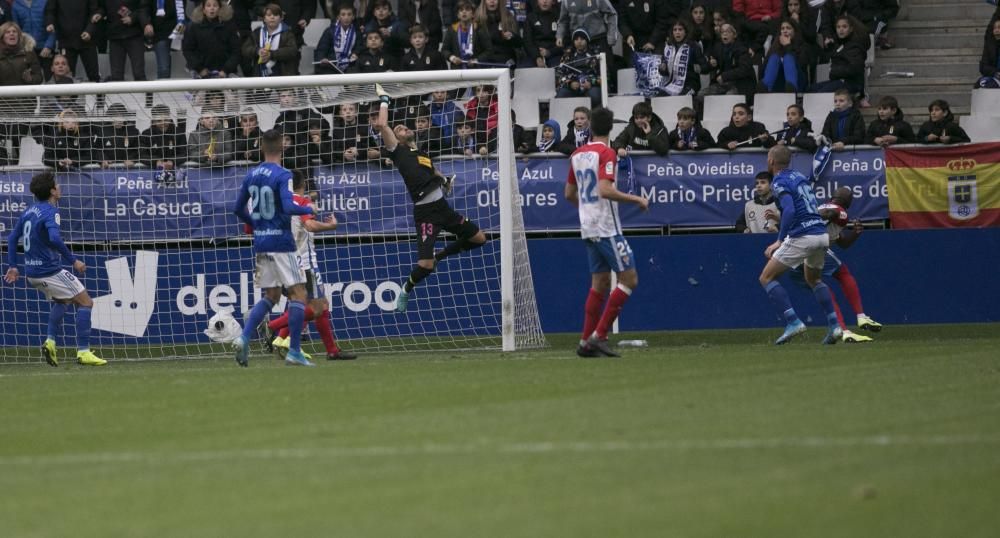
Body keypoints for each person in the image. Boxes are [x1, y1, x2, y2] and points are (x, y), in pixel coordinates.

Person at [371, 84, 488, 313]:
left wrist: (444, 181)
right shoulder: (397, 151)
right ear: (396, 139)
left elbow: (433, 171)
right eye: (400, 128)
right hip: (425, 212)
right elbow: (382, 124)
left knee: (480, 239)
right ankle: (406, 287)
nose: (403, 127)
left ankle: (440, 255)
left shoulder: (422, 154)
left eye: (405, 126)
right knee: (424, 265)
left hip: (442, 208)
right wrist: (384, 100)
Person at [564, 106, 650, 358]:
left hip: (588, 225)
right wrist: (637, 200)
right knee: (629, 279)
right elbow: (605, 189)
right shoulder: (607, 152)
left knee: (599, 283)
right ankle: (599, 335)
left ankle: (584, 342)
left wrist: (586, 210)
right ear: (611, 128)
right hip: (606, 227)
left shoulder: (578, 154)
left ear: (590, 127)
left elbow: (569, 194)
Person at [231, 129, 317, 367]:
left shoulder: (251, 174)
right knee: (300, 294)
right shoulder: (283, 174)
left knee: (271, 296)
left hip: (261, 242)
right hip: (281, 241)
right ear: (282, 147)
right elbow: (289, 207)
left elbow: (237, 209)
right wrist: (308, 209)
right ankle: (295, 351)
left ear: (261, 147)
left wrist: (256, 225)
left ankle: (244, 337)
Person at [4, 171, 106, 366]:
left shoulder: (28, 211)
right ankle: (84, 352)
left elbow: (11, 238)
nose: (60, 188)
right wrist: (73, 260)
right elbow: (55, 238)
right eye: (57, 185)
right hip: (49, 271)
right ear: (52, 191)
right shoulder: (52, 211)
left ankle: (50, 342)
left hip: (31, 273)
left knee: (64, 300)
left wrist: (13, 266)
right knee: (86, 302)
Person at [265, 171, 357, 361]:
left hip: (286, 262)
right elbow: (310, 226)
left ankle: (288, 340)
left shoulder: (281, 203)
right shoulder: (302, 202)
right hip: (305, 263)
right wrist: (331, 226)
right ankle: (272, 326)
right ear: (303, 183)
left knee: (311, 305)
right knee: (318, 308)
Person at [758, 145, 843, 345]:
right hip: (820, 235)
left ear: (771, 161)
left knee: (766, 277)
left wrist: (779, 239)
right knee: (813, 279)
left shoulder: (779, 181)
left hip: (803, 235)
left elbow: (790, 211)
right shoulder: (798, 176)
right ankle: (835, 326)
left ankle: (793, 321)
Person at [787, 186, 884, 343]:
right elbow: (831, 214)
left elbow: (843, 243)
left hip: (793, 257)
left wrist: (854, 233)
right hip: (810, 248)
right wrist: (821, 217)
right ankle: (860, 317)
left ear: (832, 197)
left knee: (822, 288)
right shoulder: (839, 211)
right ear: (849, 203)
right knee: (842, 273)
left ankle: (841, 330)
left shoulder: (822, 206)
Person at [43, 0, 102, 82]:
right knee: (67, 77)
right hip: (66, 41)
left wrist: (89, 31)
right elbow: (50, 11)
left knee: (94, 75)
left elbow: (94, 12)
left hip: (88, 41)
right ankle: (69, 95)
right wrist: (50, 23)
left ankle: (98, 95)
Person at [182, 0, 241, 79]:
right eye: (208, 6)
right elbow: (188, 50)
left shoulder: (229, 25)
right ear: (203, 9)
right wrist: (200, 69)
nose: (212, 8)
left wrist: (226, 70)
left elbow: (236, 50)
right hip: (200, 73)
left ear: (220, 9)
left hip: (226, 74)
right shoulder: (193, 27)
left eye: (215, 6)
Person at [809, 15, 866, 96]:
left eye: (844, 27)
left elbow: (854, 69)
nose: (841, 29)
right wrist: (829, 48)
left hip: (851, 83)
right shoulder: (838, 44)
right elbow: (830, 58)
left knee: (820, 94)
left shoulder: (855, 46)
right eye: (838, 27)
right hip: (839, 81)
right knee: (810, 89)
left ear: (851, 29)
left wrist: (834, 71)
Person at [243, 3, 300, 77]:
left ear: (281, 18)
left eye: (275, 15)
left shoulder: (287, 33)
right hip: (260, 74)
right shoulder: (257, 33)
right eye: (269, 15)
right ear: (264, 18)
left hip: (282, 74)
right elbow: (245, 49)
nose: (272, 17)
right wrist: (257, 51)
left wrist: (271, 54)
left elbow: (292, 50)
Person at [700, 23, 756, 97]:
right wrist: (711, 64)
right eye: (722, 32)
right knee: (701, 95)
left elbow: (744, 69)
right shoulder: (718, 48)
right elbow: (706, 68)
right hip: (723, 84)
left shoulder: (742, 49)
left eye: (728, 31)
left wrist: (724, 76)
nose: (725, 34)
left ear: (734, 35)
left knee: (729, 96)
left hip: (740, 84)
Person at [99, 0, 150, 81]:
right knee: (116, 76)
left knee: (138, 73)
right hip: (114, 36)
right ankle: (117, 93)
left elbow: (143, 8)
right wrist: (99, 14)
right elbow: (102, 7)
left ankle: (143, 92)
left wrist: (132, 18)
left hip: (134, 35)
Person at [657, 20, 706, 96]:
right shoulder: (668, 47)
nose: (677, 32)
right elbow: (665, 72)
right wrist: (662, 68)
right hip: (672, 83)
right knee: (659, 96)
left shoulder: (694, 46)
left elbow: (704, 66)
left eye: (680, 29)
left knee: (682, 98)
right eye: (675, 30)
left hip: (690, 84)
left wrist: (699, 68)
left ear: (685, 32)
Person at [555, 28, 602, 106]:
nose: (579, 41)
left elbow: (604, 76)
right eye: (576, 39)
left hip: (591, 87)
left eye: (582, 39)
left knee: (595, 96)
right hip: (572, 87)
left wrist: (591, 83)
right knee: (561, 95)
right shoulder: (567, 55)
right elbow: (559, 75)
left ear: (587, 40)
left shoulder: (596, 54)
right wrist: (570, 83)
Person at [760, 19, 809, 93]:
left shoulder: (802, 46)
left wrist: (788, 46)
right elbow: (764, 69)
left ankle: (791, 88)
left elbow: (801, 65)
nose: (785, 31)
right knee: (774, 58)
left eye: (788, 28)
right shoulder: (774, 47)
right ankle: (765, 88)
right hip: (778, 84)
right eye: (782, 28)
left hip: (797, 82)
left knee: (788, 58)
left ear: (795, 31)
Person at [314, 3, 360, 74]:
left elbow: (360, 46)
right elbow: (321, 49)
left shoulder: (357, 32)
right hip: (331, 66)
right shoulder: (329, 31)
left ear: (353, 17)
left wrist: (355, 53)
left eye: (349, 14)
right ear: (338, 17)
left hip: (350, 66)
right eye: (343, 14)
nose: (346, 17)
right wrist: (322, 58)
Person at [441, 1, 489, 69]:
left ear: (473, 14)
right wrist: (452, 58)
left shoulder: (479, 29)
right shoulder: (452, 30)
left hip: (475, 72)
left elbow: (488, 51)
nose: (464, 12)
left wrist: (477, 60)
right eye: (461, 10)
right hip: (457, 71)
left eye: (467, 9)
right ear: (458, 15)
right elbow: (444, 50)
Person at [140, 104, 187, 172]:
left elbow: (185, 154)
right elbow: (141, 155)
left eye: (166, 120)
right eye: (159, 120)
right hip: (152, 172)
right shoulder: (146, 134)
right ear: (154, 121)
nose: (163, 123)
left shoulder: (179, 132)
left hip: (175, 171)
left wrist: (172, 161)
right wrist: (156, 161)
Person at [147, 0, 185, 79]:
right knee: (163, 69)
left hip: (178, 31)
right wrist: (147, 23)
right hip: (160, 33)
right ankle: (162, 91)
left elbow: (182, 11)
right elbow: (145, 9)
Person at [476, 0, 520, 66]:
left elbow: (519, 44)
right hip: (484, 61)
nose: (492, 1)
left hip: (506, 60)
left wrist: (511, 37)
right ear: (484, 1)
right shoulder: (477, 19)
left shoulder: (509, 17)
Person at [523, 0, 561, 68]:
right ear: (537, 1)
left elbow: (563, 41)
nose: (545, 1)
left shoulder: (559, 17)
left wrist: (550, 52)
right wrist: (537, 57)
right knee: (525, 68)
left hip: (554, 55)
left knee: (559, 68)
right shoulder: (530, 17)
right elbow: (527, 41)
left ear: (553, 1)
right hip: (534, 55)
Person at [977, 19, 1000, 88]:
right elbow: (983, 66)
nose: (996, 30)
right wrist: (996, 73)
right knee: (981, 83)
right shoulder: (989, 46)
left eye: (999, 28)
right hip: (995, 76)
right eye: (995, 28)